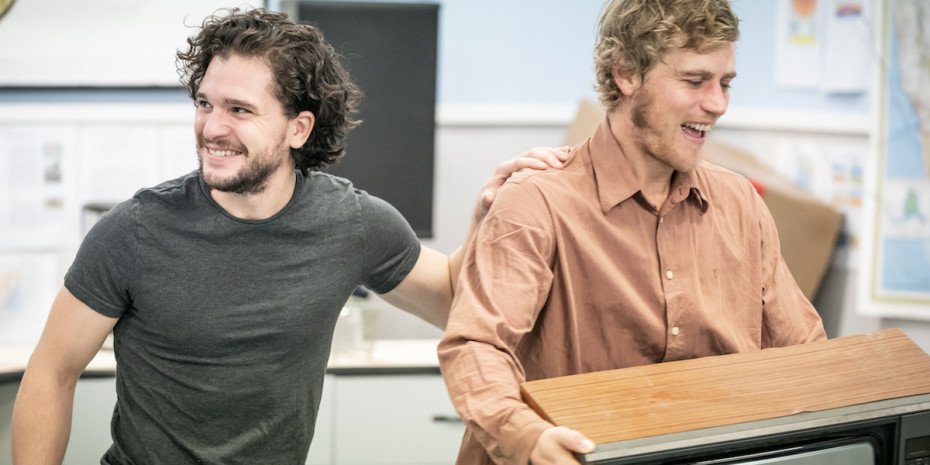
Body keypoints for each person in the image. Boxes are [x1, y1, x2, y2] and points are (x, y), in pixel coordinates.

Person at [10, 8, 571, 465]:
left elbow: (456, 306)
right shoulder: (133, 232)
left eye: (239, 109)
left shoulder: (351, 223)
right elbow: (52, 371)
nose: (212, 127)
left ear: (298, 127)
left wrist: (485, 214)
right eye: (204, 103)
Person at [437, 1, 828, 464]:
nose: (718, 104)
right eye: (694, 80)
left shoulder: (740, 203)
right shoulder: (537, 201)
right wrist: (527, 437)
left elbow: (805, 353)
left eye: (725, 83)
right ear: (626, 74)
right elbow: (476, 346)